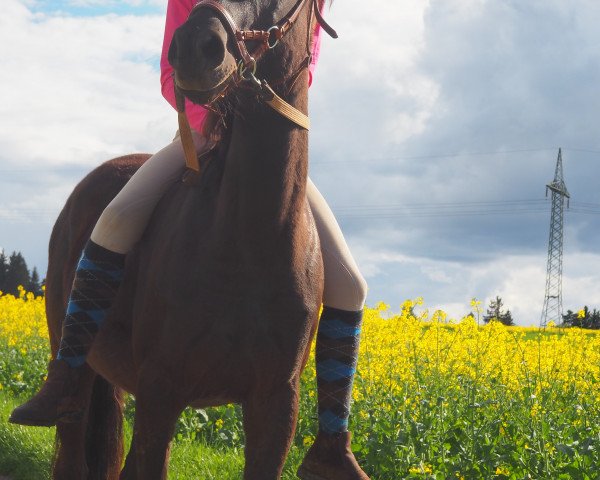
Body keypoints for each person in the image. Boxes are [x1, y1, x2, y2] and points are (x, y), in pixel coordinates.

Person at [10, 0, 369, 478]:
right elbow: (169, 72)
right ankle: (68, 376)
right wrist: (214, 118)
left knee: (351, 285)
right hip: (205, 130)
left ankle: (332, 444)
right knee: (113, 218)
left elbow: (304, 62)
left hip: (274, 138)